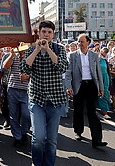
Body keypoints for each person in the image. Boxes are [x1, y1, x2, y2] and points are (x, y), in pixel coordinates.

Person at [20, 20, 68, 166]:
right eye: (43, 32)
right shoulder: (30, 49)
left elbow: (62, 67)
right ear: (39, 33)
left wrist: (48, 50)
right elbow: (25, 68)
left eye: (49, 32)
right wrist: (37, 49)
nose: (46, 35)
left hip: (55, 100)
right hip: (37, 99)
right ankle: (36, 162)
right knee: (39, 136)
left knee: (51, 139)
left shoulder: (59, 49)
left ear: (53, 34)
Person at [65, 34, 107, 148]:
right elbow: (68, 72)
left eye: (82, 41)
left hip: (91, 85)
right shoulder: (72, 56)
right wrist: (68, 86)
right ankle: (78, 131)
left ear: (88, 42)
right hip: (79, 86)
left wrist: (101, 88)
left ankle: (97, 140)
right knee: (78, 110)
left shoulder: (94, 55)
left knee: (92, 112)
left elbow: (98, 72)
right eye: (78, 41)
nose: (80, 43)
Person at [2, 48, 30, 148]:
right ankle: (17, 137)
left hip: (26, 90)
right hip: (13, 88)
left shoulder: (31, 56)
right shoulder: (14, 56)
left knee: (26, 114)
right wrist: (11, 55)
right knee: (13, 115)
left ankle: (24, 132)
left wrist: (27, 77)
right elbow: (4, 67)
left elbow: (37, 73)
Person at [96, 47, 111, 119]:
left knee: (104, 94)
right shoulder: (95, 60)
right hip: (96, 79)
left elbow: (108, 71)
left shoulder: (105, 61)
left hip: (105, 79)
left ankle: (105, 112)